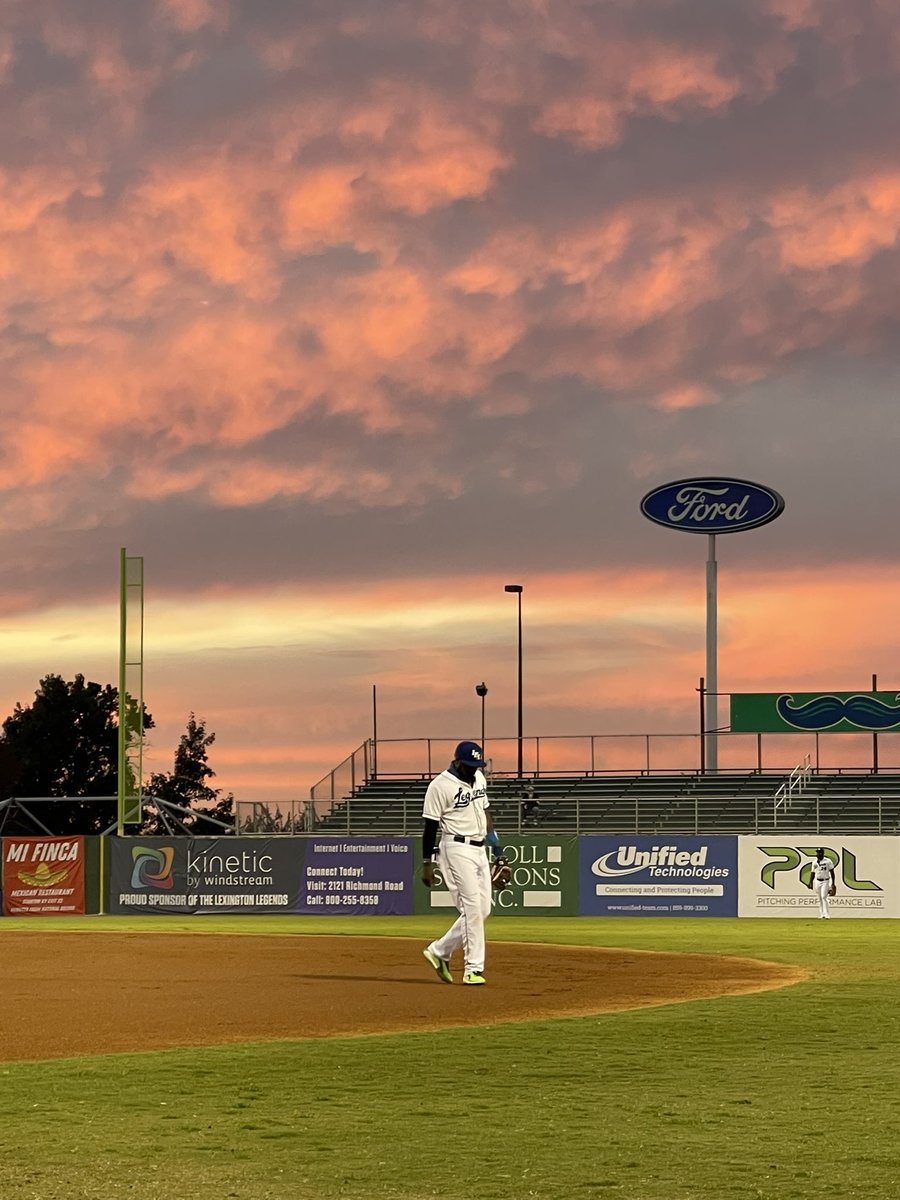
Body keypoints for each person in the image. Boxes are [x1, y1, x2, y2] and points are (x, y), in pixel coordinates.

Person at [421, 740, 503, 985]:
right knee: (472, 909)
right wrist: (427, 863)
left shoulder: (479, 779)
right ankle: (473, 969)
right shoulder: (440, 786)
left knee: (484, 909)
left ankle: (439, 950)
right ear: (457, 761)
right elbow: (430, 826)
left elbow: (486, 814)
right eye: (468, 765)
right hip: (455, 848)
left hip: (479, 849)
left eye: (476, 765)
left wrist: (498, 850)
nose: (473, 769)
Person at [811, 848, 836, 919]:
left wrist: (833, 883)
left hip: (825, 880)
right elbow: (812, 873)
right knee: (819, 898)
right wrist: (810, 882)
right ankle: (822, 914)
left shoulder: (828, 861)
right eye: (817, 852)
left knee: (824, 897)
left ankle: (827, 914)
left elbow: (832, 872)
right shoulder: (814, 862)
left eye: (820, 852)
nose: (818, 854)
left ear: (822, 853)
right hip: (817, 881)